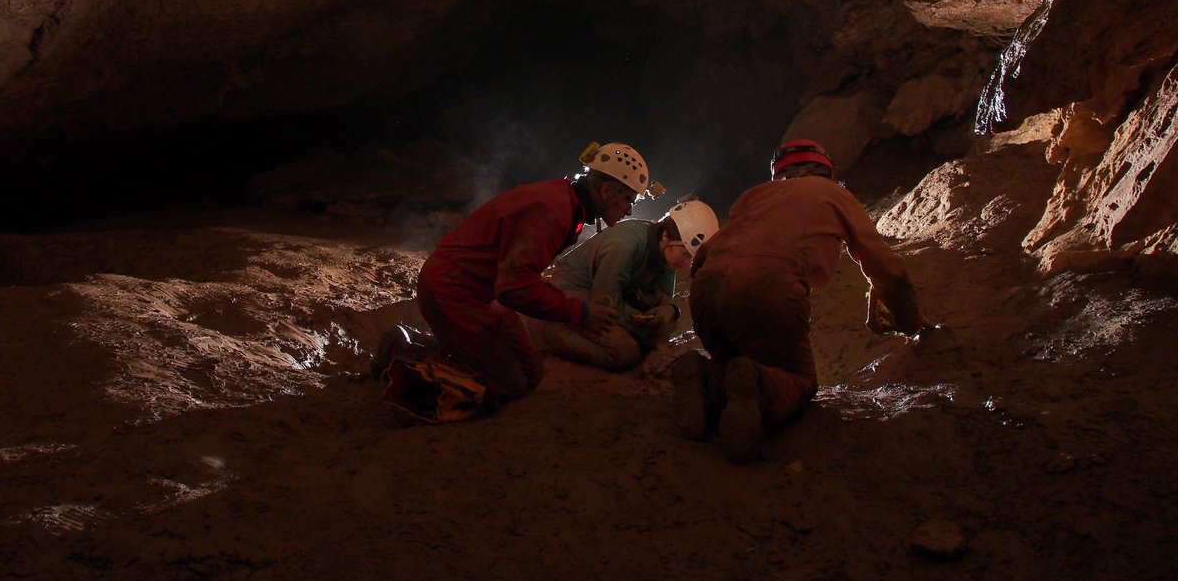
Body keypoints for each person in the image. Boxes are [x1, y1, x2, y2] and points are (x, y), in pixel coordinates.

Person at [373, 141, 662, 421]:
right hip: (452, 291)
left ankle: (455, 349)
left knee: (531, 374)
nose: (629, 211)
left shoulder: (567, 205)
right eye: (628, 200)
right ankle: (404, 349)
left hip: (484, 291)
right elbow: (514, 289)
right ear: (607, 189)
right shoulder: (553, 210)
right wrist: (580, 314)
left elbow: (518, 276)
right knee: (509, 384)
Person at [673, 139, 923, 462]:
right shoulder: (835, 195)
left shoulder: (754, 196)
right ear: (828, 173)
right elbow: (890, 272)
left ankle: (706, 377)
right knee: (799, 381)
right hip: (767, 289)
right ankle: (758, 387)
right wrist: (912, 322)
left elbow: (703, 257)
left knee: (735, 358)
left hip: (707, 292)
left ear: (778, 176)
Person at [536, 199, 720, 371]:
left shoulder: (665, 252)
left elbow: (664, 299)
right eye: (686, 254)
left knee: (663, 327)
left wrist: (670, 310)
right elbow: (603, 304)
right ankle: (547, 331)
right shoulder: (624, 245)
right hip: (572, 289)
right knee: (625, 352)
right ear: (666, 235)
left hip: (611, 293)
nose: (687, 263)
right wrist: (640, 326)